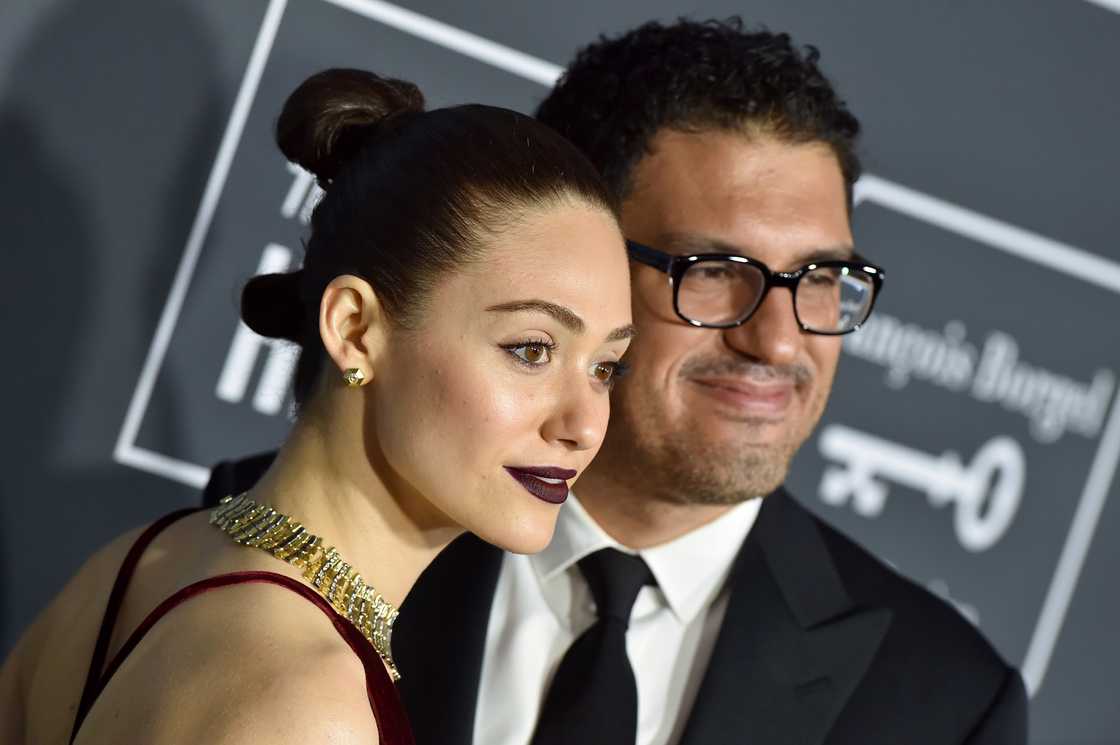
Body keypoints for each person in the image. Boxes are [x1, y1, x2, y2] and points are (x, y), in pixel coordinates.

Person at [203, 19, 1027, 745]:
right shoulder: (279, 548)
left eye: (820, 277)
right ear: (577, 261)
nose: (777, 340)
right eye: (713, 271)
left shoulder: (942, 703)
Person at [0, 68, 636, 745]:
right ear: (356, 328)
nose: (585, 424)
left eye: (605, 367)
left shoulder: (135, 565)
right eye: (532, 349)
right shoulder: (308, 708)